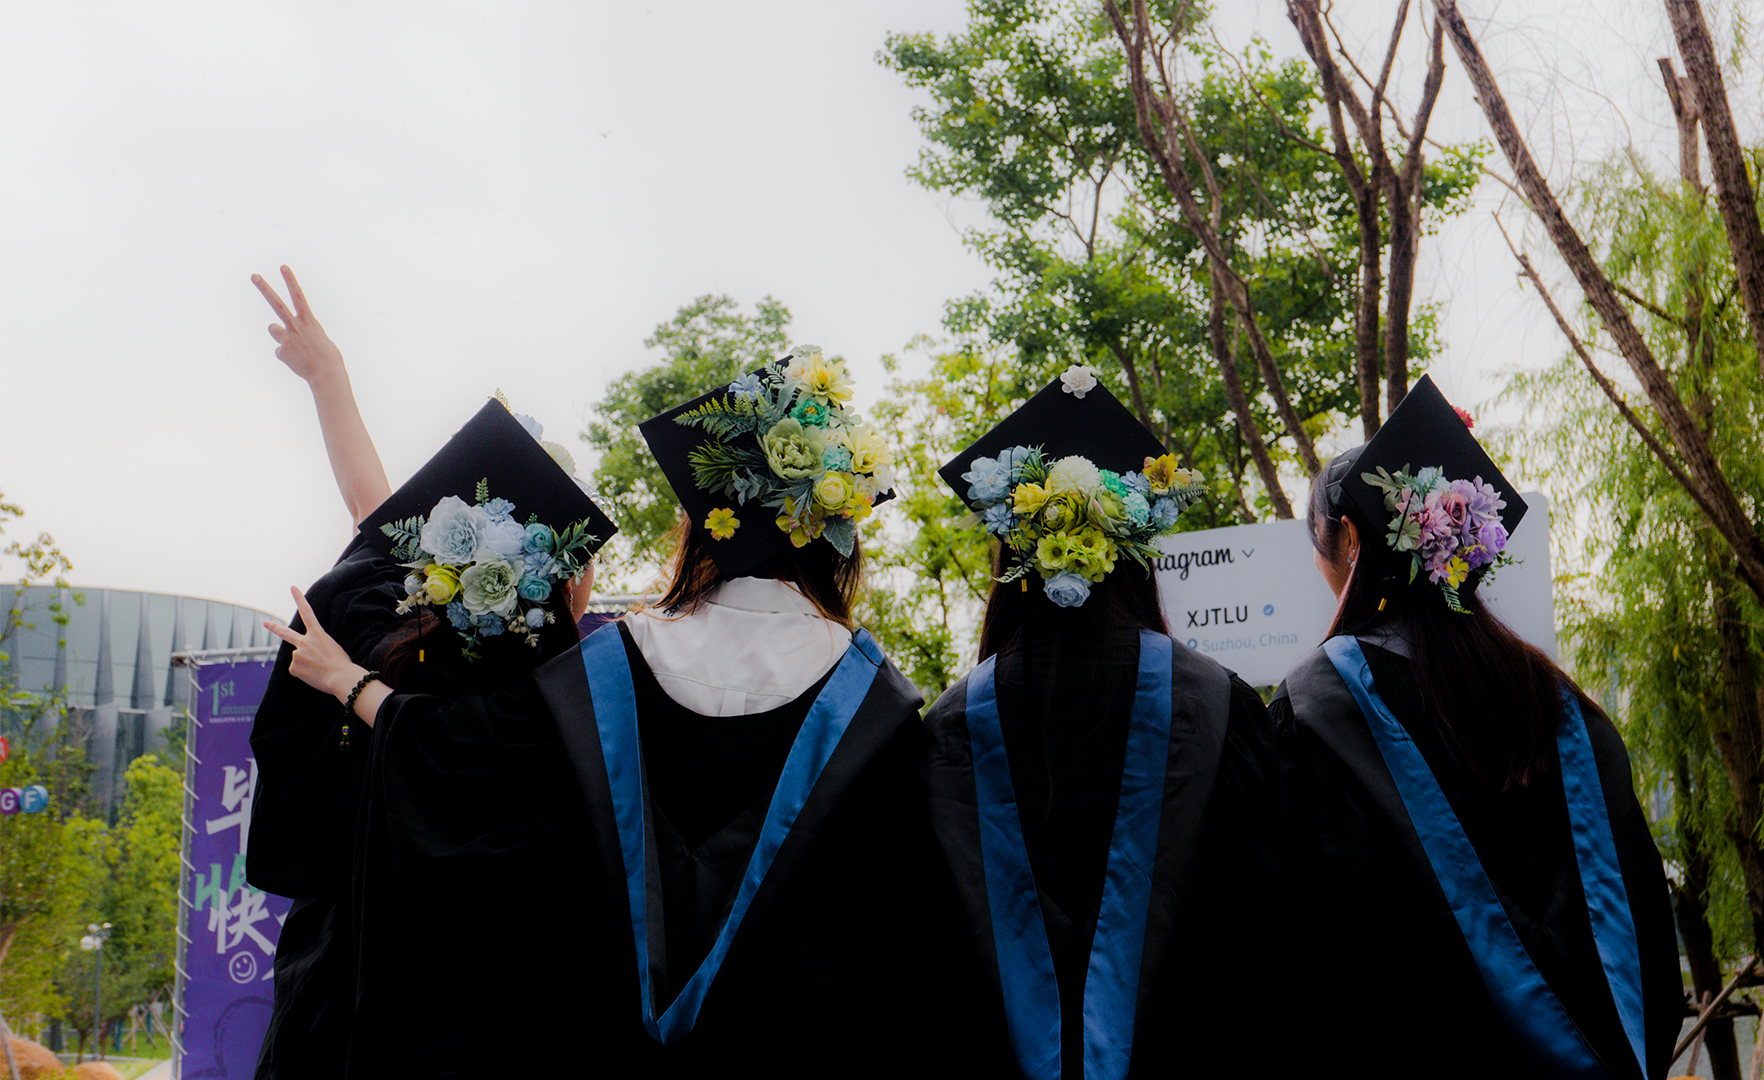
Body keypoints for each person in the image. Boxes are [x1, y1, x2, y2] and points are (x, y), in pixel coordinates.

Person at [269, 346, 974, 1075]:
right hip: (799, 1040)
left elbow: (456, 752)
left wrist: (351, 685)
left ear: (703, 524)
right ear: (832, 538)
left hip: (600, 1039)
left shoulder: (604, 673)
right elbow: (902, 937)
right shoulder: (873, 705)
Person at [246, 267, 619, 1078]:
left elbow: (372, 518)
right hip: (491, 1003)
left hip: (344, 985)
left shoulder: (390, 641)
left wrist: (329, 380)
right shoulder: (563, 692)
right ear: (563, 575)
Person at [1271, 376, 1680, 1078]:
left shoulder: (1319, 708)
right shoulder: (1552, 697)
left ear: (1346, 539)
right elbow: (1639, 914)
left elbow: (1312, 957)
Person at [921, 366, 1288, 1080]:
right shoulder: (1223, 706)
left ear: (1013, 558)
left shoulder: (947, 728)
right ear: (1132, 552)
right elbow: (1268, 932)